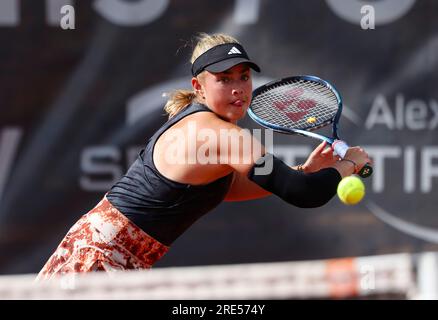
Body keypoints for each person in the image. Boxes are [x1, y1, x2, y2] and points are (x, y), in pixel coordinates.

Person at [36, 33, 371, 280]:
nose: (238, 88)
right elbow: (301, 192)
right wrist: (350, 163)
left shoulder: (205, 128)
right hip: (97, 260)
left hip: (103, 253)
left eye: (243, 76)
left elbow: (235, 186)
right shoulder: (219, 134)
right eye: (224, 80)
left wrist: (303, 169)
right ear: (198, 86)